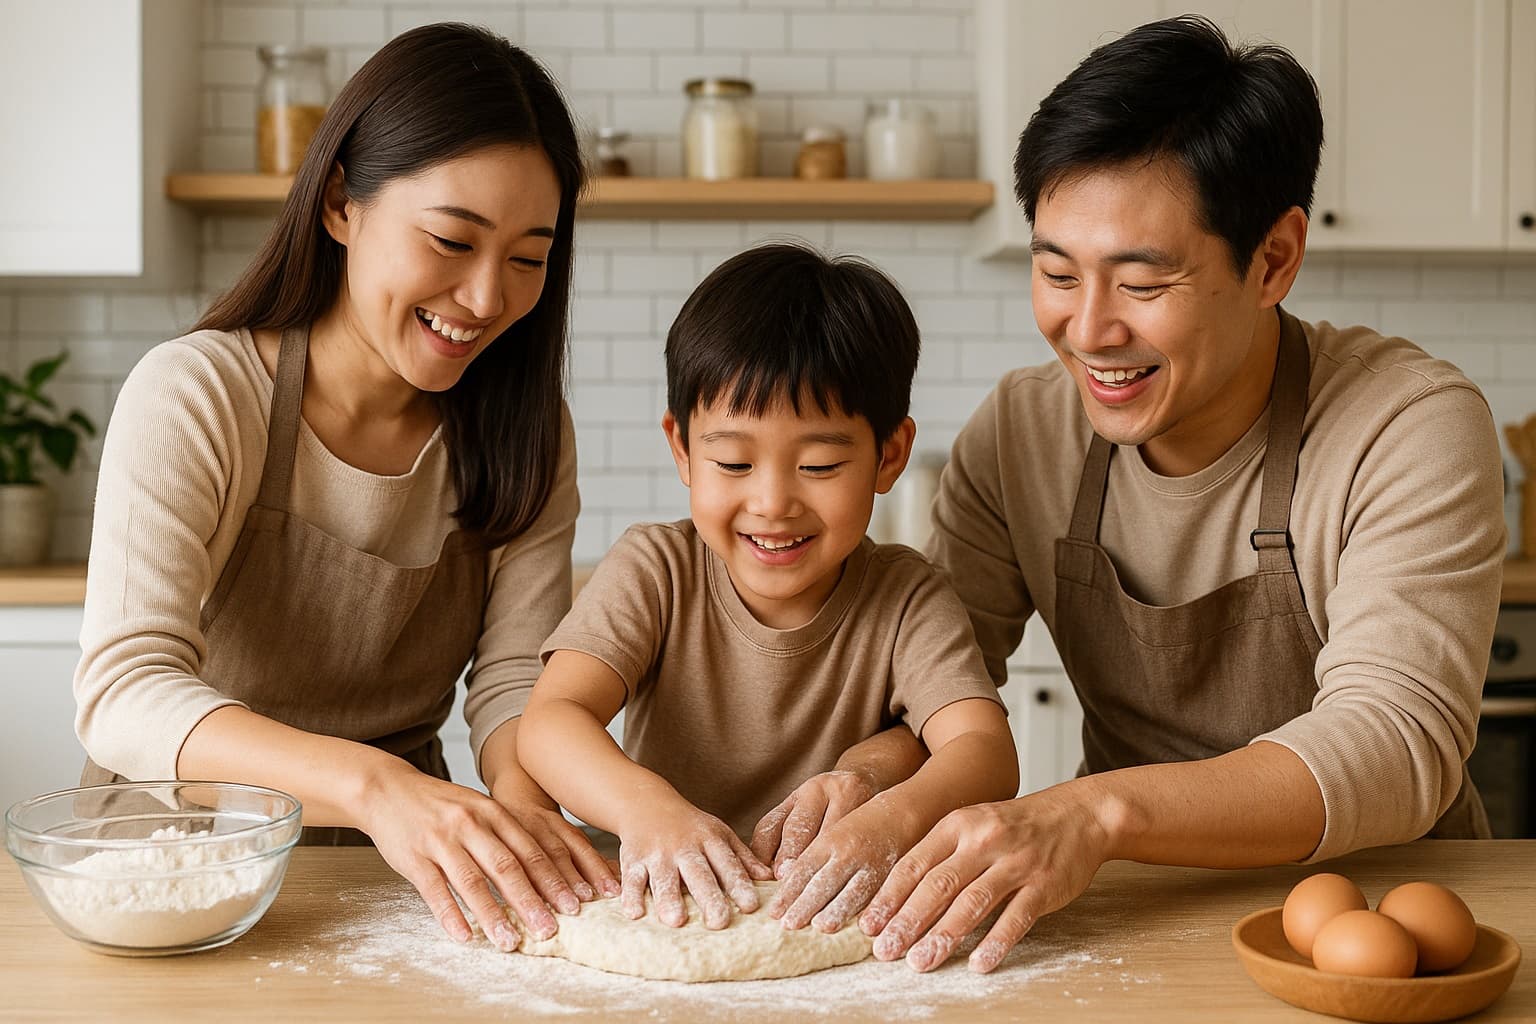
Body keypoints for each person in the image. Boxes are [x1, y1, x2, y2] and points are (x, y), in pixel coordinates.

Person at [858, 15, 1507, 974]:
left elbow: (1396, 739)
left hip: (1388, 919)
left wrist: (1097, 809)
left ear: (1275, 260)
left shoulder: (1407, 422)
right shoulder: (1023, 433)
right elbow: (932, 683)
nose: (1088, 330)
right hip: (1132, 909)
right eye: (1055, 272)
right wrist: (865, 775)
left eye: (1143, 281)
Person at [72, 24, 615, 953]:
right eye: (452, 239)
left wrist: (531, 829)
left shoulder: (525, 429)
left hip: (398, 873)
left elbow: (513, 679)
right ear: (339, 206)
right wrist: (376, 788)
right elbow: (124, 691)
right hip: (177, 863)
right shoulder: (202, 394)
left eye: (529, 258)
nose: (488, 298)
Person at [517, 243, 1020, 933]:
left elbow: (984, 750)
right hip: (664, 906)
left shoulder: (908, 597)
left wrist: (886, 814)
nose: (773, 501)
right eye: (733, 461)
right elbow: (550, 722)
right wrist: (647, 811)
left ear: (890, 455)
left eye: (819, 464)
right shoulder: (656, 570)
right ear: (682, 450)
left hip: (832, 914)